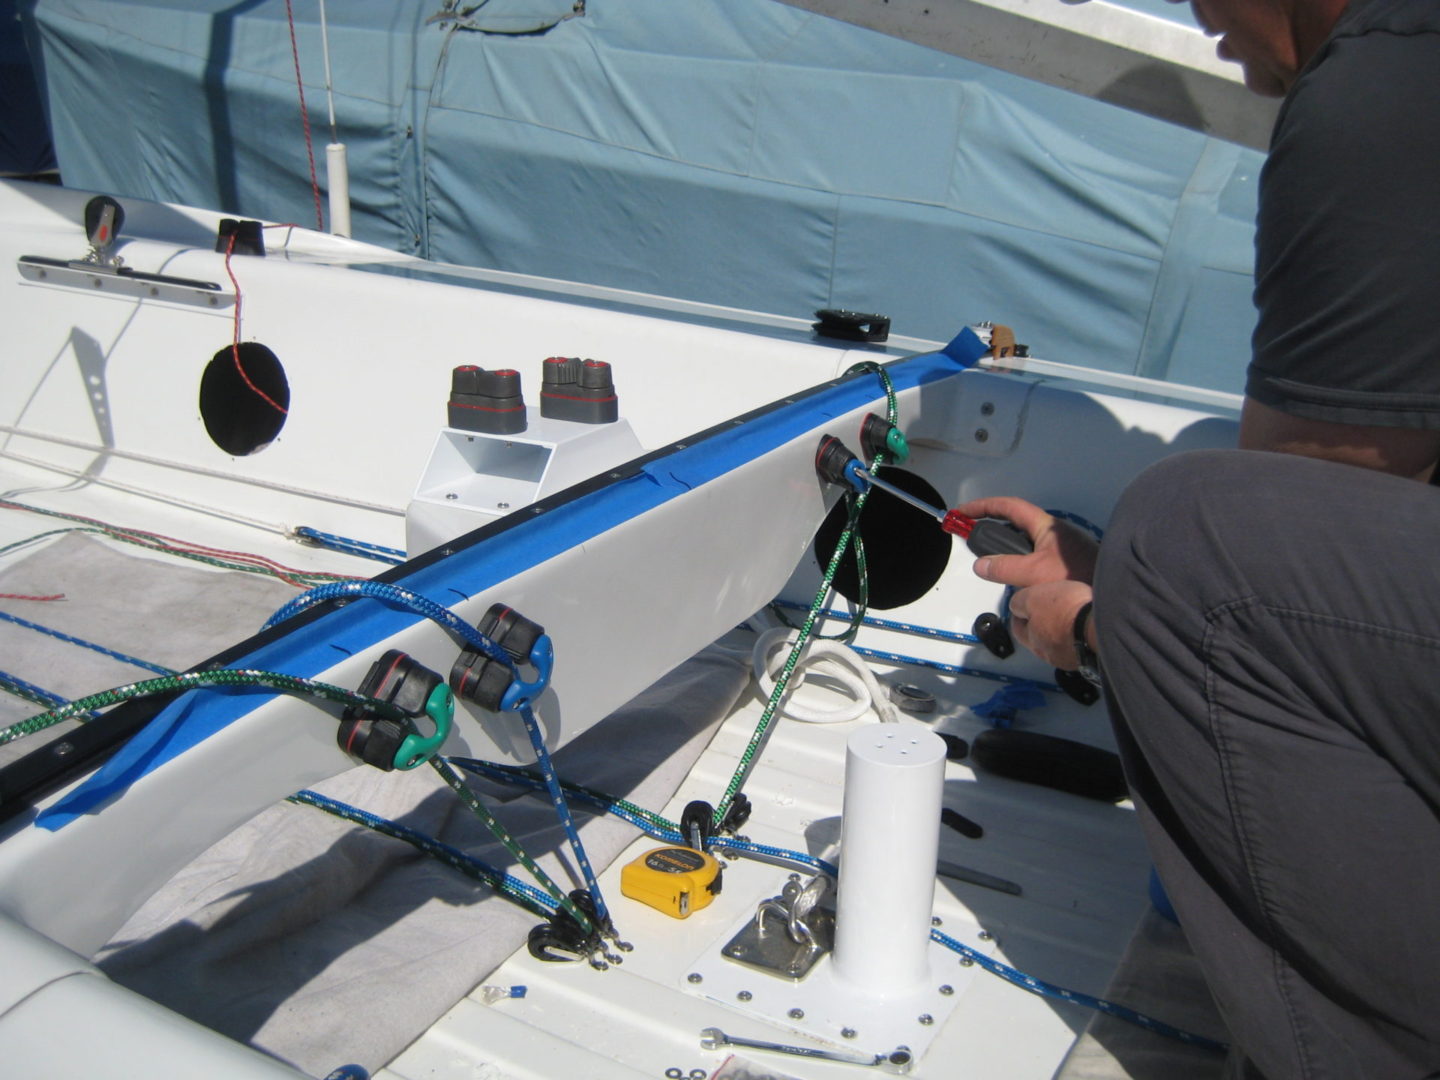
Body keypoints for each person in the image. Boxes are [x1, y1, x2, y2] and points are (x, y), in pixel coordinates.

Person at [957, 2, 1440, 1077]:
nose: (1198, 13)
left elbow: (1297, 504)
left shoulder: (1375, 91)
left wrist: (1099, 624)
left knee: (1188, 536)